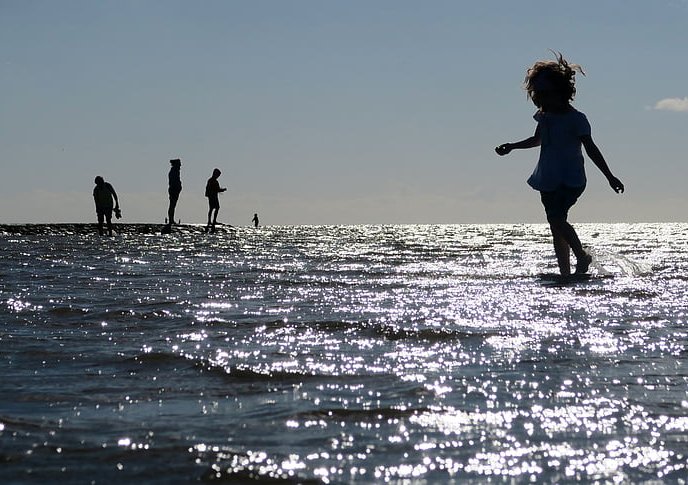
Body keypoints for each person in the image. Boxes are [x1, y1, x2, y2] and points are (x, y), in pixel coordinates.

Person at [495, 52, 624, 276]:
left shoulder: (577, 119)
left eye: (545, 93)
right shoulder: (545, 117)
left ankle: (582, 257)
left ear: (561, 92)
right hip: (548, 177)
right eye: (538, 94)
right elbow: (537, 140)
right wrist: (513, 146)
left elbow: (591, 148)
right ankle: (565, 272)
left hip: (571, 178)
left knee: (556, 218)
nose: (541, 99)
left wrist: (610, 176)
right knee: (556, 226)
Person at [205, 168, 226, 233]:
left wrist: (222, 190)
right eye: (218, 175)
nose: (218, 176)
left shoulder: (216, 181)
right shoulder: (210, 180)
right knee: (211, 208)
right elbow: (208, 188)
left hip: (215, 196)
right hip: (211, 196)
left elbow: (217, 189)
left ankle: (214, 220)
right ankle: (210, 221)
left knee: (216, 208)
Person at [166, 158, 182, 229]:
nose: (180, 165)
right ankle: (171, 220)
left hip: (175, 189)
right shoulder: (174, 171)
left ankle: (171, 219)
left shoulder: (175, 171)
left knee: (173, 205)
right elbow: (173, 182)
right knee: (172, 204)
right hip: (173, 190)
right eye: (179, 164)